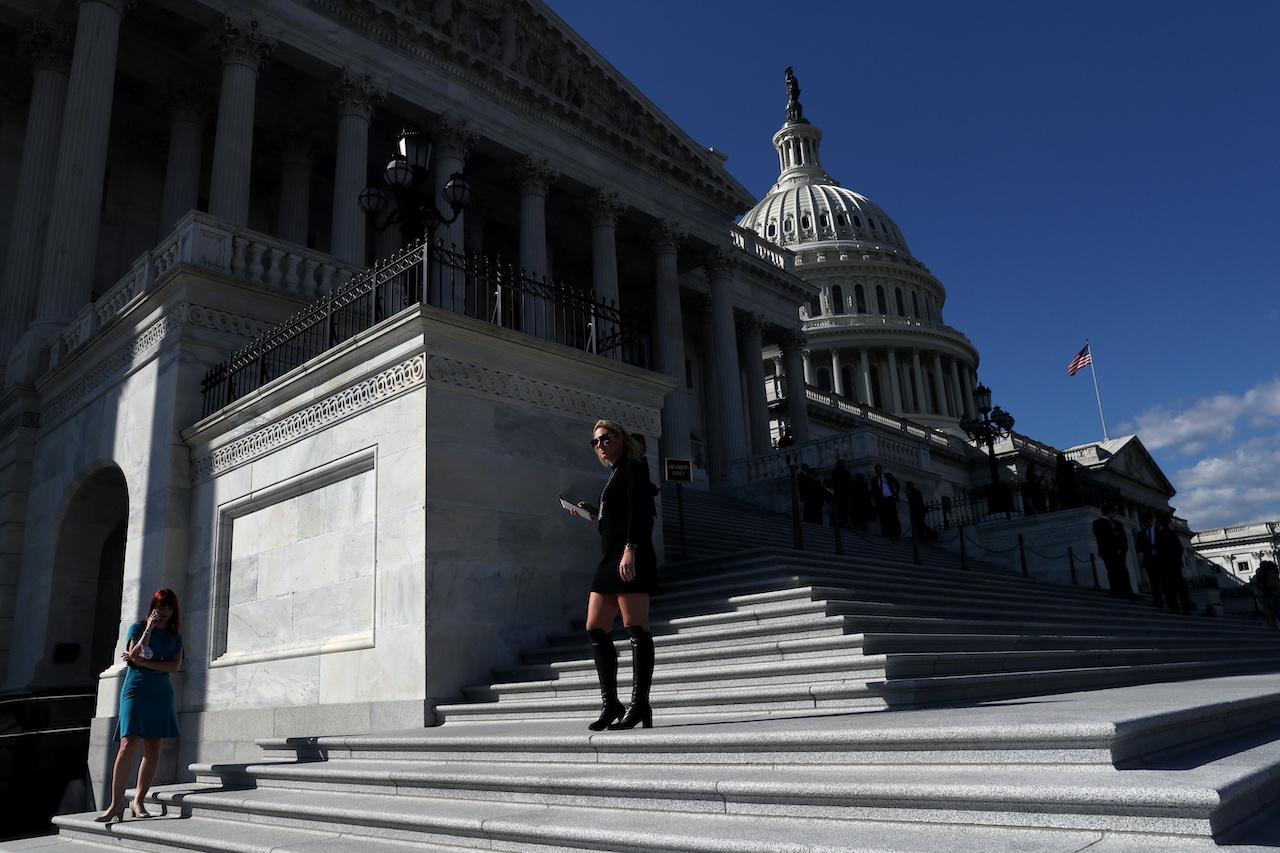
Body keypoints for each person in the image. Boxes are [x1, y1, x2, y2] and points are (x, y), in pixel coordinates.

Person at [570, 419, 658, 731]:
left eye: (605, 438)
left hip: (629, 555)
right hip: (610, 559)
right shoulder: (615, 473)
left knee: (636, 626)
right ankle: (612, 704)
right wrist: (595, 513)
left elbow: (639, 511)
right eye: (595, 442)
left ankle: (639, 704)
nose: (600, 445)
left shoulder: (634, 467)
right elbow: (617, 516)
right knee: (595, 626)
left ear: (620, 438)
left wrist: (631, 548)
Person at [95, 588, 183, 823]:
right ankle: (115, 804)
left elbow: (174, 667)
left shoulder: (176, 637)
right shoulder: (138, 628)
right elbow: (133, 656)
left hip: (160, 692)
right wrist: (148, 630)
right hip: (135, 689)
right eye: (159, 606)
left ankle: (138, 800)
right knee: (127, 743)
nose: (163, 611)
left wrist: (146, 662)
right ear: (152, 607)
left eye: (167, 606)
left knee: (153, 747)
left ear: (174, 609)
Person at [1092, 503, 1135, 598]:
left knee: (1123, 571)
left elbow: (1123, 538)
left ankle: (1128, 592)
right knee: (1112, 571)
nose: (1115, 514)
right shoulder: (1098, 523)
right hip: (1108, 552)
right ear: (1110, 512)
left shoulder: (1117, 523)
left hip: (1120, 552)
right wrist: (1114, 549)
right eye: (1114, 512)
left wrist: (1122, 549)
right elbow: (1102, 538)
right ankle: (1115, 591)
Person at [872, 464, 900, 541]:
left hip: (890, 498)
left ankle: (895, 534)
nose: (878, 471)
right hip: (881, 501)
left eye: (879, 469)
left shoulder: (888, 476)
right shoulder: (874, 480)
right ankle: (885, 533)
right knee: (883, 517)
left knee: (892, 517)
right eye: (876, 469)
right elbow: (873, 491)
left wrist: (895, 494)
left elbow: (896, 485)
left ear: (881, 469)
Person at [1251, 560, 1280, 628]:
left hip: (1268, 594)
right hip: (1274, 594)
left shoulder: (1266, 574)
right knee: (1275, 610)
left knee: (1270, 610)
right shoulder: (1274, 573)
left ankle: (1272, 623)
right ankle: (1273, 622)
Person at [830, 458, 854, 529]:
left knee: (840, 510)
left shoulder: (834, 472)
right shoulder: (845, 472)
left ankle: (842, 523)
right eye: (844, 463)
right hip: (845, 494)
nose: (845, 465)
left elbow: (834, 483)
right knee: (846, 510)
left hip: (838, 493)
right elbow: (849, 483)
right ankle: (847, 523)